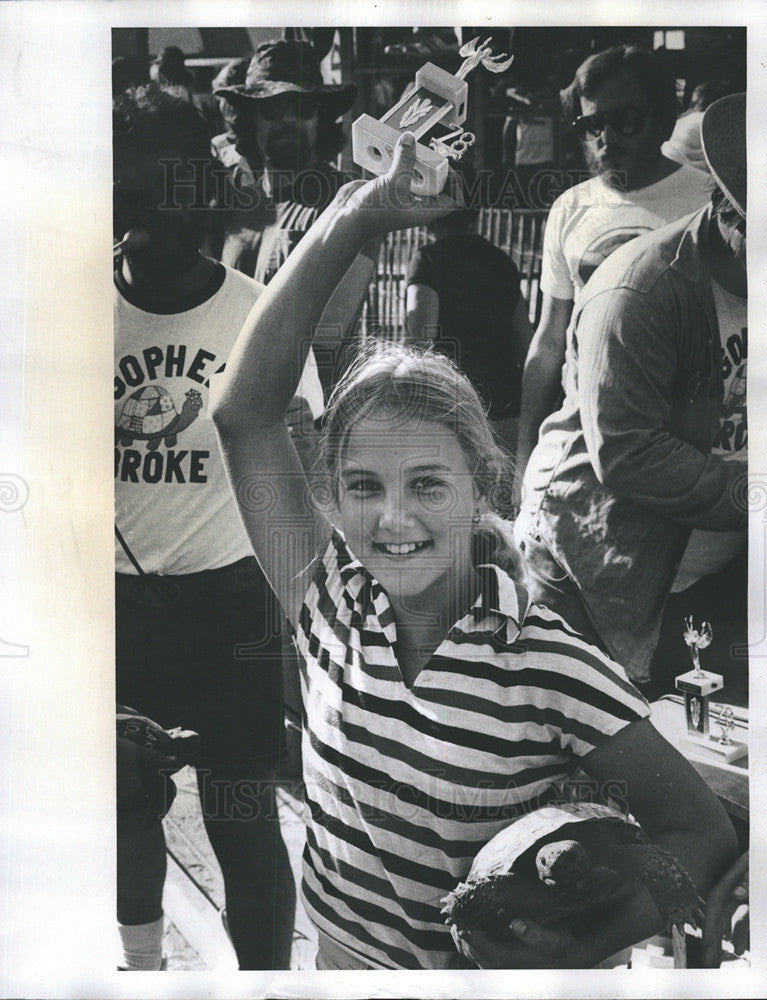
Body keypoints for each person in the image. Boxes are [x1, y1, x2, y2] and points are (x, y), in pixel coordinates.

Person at [212, 131, 736, 970]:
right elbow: (244, 414)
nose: (391, 519)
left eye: (426, 484)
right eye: (361, 487)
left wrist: (566, 955)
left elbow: (699, 832)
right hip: (340, 962)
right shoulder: (330, 601)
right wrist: (355, 217)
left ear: (479, 484)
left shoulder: (543, 661)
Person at [113, 83, 324, 970]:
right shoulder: (59, 310)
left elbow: (302, 466)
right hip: (114, 612)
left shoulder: (253, 316)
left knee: (243, 820)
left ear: (195, 195)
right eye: (115, 203)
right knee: (121, 805)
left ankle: (270, 985)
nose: (132, 231)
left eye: (152, 204)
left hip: (230, 611)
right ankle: (142, 967)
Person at [514, 92, 747, 687]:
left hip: (704, 570)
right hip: (595, 569)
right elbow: (629, 451)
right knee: (586, 749)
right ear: (728, 211)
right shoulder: (639, 292)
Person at [515, 45, 713, 484]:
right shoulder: (570, 208)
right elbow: (550, 339)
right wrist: (525, 448)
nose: (607, 137)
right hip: (581, 444)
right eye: (591, 124)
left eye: (626, 120)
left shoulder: (708, 202)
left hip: (678, 446)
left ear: (663, 115)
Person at [212, 39, 375, 395]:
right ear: (249, 120)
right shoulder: (227, 202)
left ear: (321, 118)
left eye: (302, 107)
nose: (287, 119)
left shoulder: (349, 202)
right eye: (271, 109)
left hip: (314, 420)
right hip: (228, 404)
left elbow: (327, 334)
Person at [405, 162, 533, 459]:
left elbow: (417, 343)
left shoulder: (428, 261)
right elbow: (523, 340)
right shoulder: (501, 261)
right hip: (505, 408)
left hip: (454, 409)